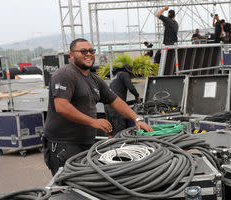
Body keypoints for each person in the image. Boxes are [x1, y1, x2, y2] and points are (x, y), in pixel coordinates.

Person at [42, 38, 152, 175]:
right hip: (64, 144)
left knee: (86, 185)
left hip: (85, 143)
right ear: (71, 55)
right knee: (67, 189)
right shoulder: (65, 74)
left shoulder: (94, 79)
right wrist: (93, 122)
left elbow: (115, 100)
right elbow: (62, 106)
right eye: (83, 51)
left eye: (91, 51)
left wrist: (137, 119)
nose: (88, 54)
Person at [104, 64, 141, 137]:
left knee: (111, 129)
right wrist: (137, 96)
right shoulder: (124, 74)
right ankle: (119, 145)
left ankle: (110, 144)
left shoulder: (116, 77)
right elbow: (131, 88)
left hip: (107, 105)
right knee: (120, 130)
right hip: (116, 105)